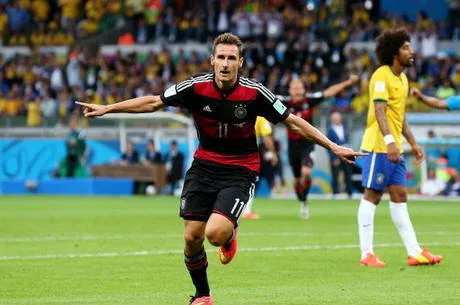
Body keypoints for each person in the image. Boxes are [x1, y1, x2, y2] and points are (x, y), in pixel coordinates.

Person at [76, 33, 364, 305]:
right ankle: (202, 295)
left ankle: (230, 234)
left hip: (240, 168)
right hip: (203, 166)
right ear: (212, 60)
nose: (225, 63)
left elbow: (293, 121)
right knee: (191, 237)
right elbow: (154, 102)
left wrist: (333, 147)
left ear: (241, 62)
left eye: (231, 58)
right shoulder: (195, 87)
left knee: (214, 234)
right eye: (221, 57)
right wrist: (107, 108)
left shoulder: (255, 93)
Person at [358, 29, 443, 268]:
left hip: (394, 146)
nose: (411, 51)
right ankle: (366, 254)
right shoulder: (381, 75)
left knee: (400, 195)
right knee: (372, 195)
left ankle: (414, 252)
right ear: (394, 52)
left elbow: (400, 116)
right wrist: (389, 141)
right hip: (378, 145)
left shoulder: (403, 79)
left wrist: (413, 143)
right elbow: (380, 111)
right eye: (406, 47)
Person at [278, 76, 359, 219]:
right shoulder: (282, 102)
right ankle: (303, 201)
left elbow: (329, 92)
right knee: (297, 180)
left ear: (304, 89)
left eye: (300, 88)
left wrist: (347, 82)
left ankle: (305, 200)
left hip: (307, 144)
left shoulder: (309, 100)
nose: (297, 91)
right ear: (289, 90)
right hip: (292, 146)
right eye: (294, 88)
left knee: (306, 172)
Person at [242, 116, 278, 219]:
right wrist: (273, 153)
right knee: (250, 181)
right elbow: (266, 137)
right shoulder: (260, 118)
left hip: (226, 153)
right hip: (248, 155)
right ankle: (246, 211)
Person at [327, 111, 353, 197]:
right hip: (336, 156)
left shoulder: (345, 128)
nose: (336, 120)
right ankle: (335, 193)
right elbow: (328, 145)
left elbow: (348, 142)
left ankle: (349, 193)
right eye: (334, 118)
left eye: (337, 118)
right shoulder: (330, 130)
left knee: (348, 174)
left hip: (346, 155)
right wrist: (334, 158)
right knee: (335, 175)